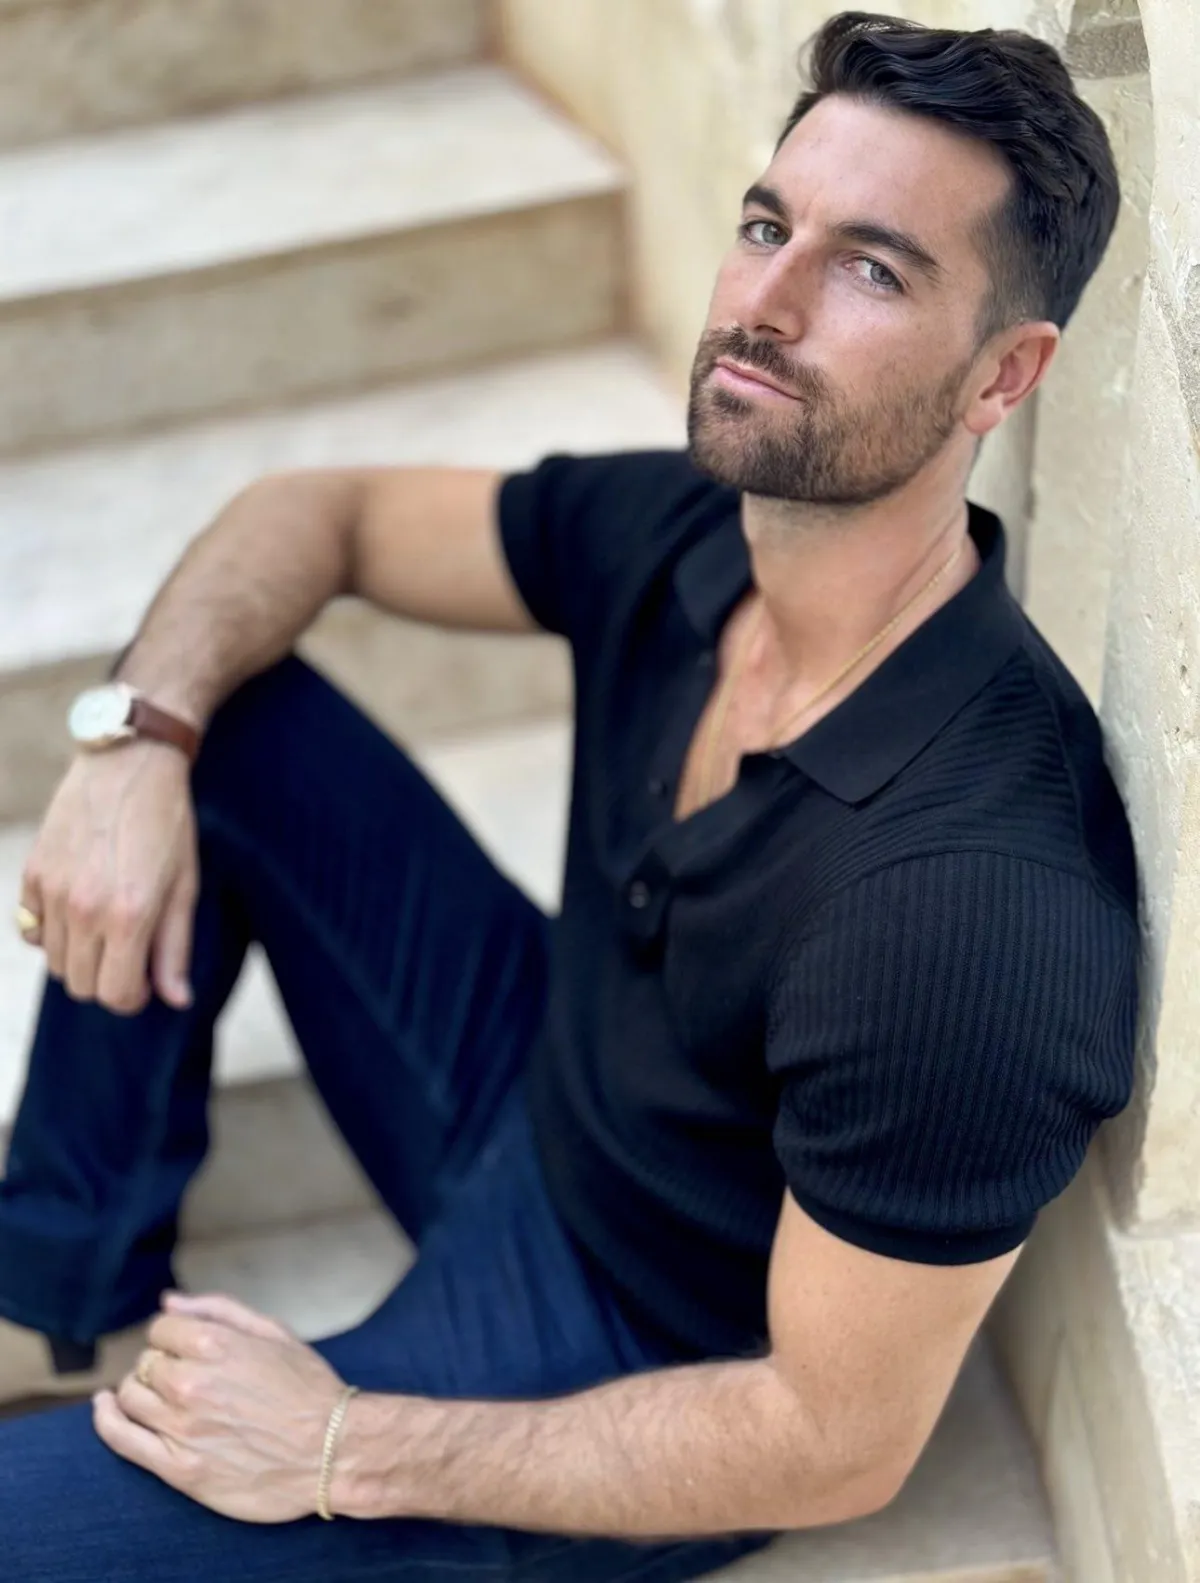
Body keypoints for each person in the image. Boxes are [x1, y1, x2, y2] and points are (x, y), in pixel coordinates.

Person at [0, 12, 1139, 1581]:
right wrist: (137, 740)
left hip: (625, 1356)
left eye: (871, 270)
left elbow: (835, 1436)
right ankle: (50, 1293)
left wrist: (343, 1443)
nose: (765, 306)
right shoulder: (699, 532)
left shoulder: (969, 904)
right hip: (532, 1083)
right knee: (214, 702)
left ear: (1003, 373)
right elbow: (317, 513)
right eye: (767, 228)